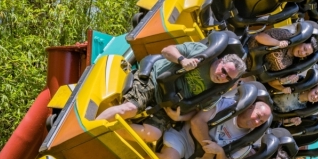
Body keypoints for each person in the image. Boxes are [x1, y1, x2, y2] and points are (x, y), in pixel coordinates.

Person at [97, 41, 246, 143]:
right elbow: (166, 50)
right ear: (220, 61)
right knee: (129, 109)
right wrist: (182, 60)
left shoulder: (217, 92)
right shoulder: (200, 51)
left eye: (228, 78)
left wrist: (179, 117)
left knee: (153, 134)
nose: (222, 77)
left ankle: (106, 133)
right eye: (224, 70)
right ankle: (93, 128)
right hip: (153, 82)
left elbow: (197, 112)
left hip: (166, 104)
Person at [178, 95, 272, 159]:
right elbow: (197, 122)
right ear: (250, 107)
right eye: (258, 116)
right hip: (185, 137)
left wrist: (219, 152)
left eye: (261, 122)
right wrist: (208, 148)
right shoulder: (228, 105)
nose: (257, 122)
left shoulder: (246, 142)